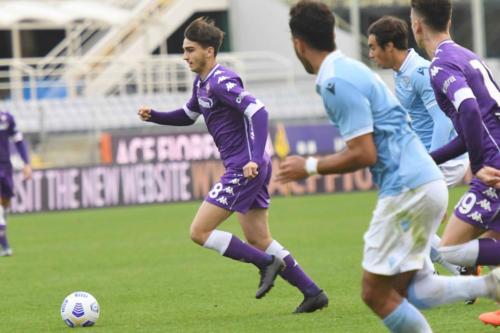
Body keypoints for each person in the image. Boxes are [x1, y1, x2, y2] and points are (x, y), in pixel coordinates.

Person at [281, 1, 500, 332]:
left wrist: (308, 166)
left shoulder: (340, 80)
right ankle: (490, 285)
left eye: (374, 47)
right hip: (422, 178)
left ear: (298, 44)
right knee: (416, 289)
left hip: (410, 185)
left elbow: (365, 152)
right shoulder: (352, 71)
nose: (370, 54)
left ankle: (491, 283)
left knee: (378, 290)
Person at [137, 17, 328, 313]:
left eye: (190, 50)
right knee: (258, 237)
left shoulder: (221, 81)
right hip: (249, 165)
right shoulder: (202, 83)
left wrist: (252, 157)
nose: (185, 56)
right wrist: (156, 116)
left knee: (199, 232)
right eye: (184, 50)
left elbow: (259, 111)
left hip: (244, 167)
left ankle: (266, 263)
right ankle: (312, 292)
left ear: (209, 51)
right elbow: (187, 116)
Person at [410, 0, 500, 325]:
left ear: (416, 26)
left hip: (493, 163)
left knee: (450, 250)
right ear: (448, 19)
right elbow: (466, 131)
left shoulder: (440, 65)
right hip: (495, 154)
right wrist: (427, 161)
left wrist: (478, 165)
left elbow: (471, 110)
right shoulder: (467, 55)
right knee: (490, 240)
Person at [367, 16, 469, 280]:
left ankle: (428, 279)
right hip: (427, 158)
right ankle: (460, 269)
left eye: (373, 47)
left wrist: (430, 168)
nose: (370, 54)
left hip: (443, 157)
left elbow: (443, 120)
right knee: (404, 220)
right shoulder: (402, 74)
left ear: (390, 47)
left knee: (404, 219)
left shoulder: (420, 72)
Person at [0, 110, 32, 257]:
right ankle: (5, 245)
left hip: (5, 166)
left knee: (6, 203)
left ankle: (2, 236)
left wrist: (26, 163)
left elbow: (18, 140)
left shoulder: (6, 118)